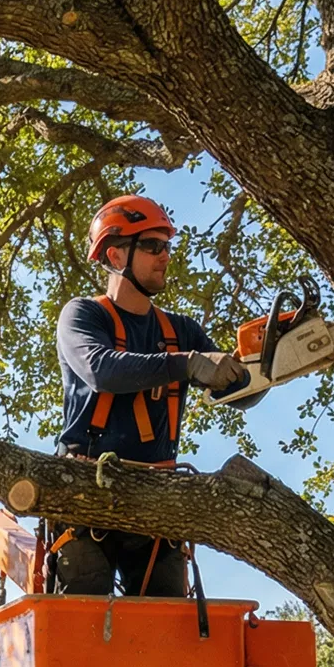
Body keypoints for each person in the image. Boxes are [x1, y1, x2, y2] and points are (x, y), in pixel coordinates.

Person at [50, 194, 247, 597]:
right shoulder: (85, 315)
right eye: (153, 245)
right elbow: (101, 370)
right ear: (117, 255)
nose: (164, 256)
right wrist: (186, 364)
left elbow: (235, 391)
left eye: (167, 246)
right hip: (88, 485)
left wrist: (270, 365)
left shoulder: (180, 331)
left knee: (168, 626)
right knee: (82, 614)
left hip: (157, 492)